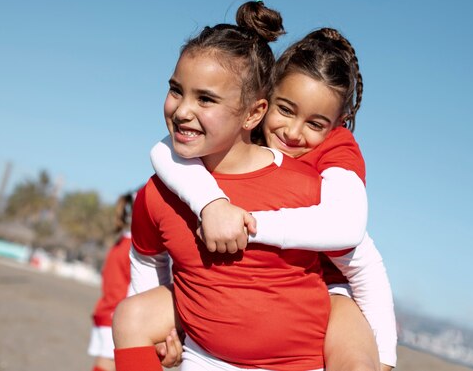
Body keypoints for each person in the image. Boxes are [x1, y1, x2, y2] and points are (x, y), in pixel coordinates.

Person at [150, 27, 397, 371]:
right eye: (285, 110)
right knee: (134, 317)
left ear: (337, 124)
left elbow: (353, 236)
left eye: (315, 123)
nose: (293, 132)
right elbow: (164, 151)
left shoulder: (335, 150)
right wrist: (211, 203)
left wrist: (384, 356)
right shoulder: (245, 139)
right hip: (258, 294)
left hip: (331, 287)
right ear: (262, 102)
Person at [113, 0, 334, 371]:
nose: (182, 110)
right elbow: (146, 256)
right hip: (202, 359)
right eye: (176, 90)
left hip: (294, 364)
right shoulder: (156, 194)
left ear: (253, 113)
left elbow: (353, 270)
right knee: (128, 316)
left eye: (206, 99)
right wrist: (161, 333)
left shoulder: (306, 187)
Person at [87, 191, 135, 371]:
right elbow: (135, 289)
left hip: (105, 311)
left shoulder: (121, 242)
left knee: (103, 365)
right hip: (115, 317)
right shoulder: (134, 248)